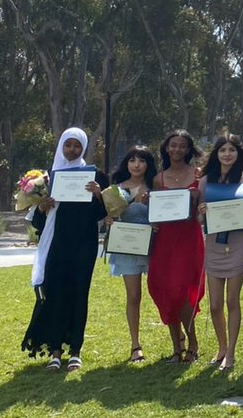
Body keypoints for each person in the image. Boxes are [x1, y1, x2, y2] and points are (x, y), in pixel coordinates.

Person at [22, 127, 108, 372]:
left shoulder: (95, 176)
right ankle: (56, 351)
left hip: (84, 246)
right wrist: (42, 208)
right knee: (56, 294)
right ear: (61, 146)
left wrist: (98, 194)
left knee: (79, 295)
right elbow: (38, 223)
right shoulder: (47, 179)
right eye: (68, 145)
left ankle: (76, 351)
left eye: (77, 146)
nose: (72, 150)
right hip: (56, 246)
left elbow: (102, 215)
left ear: (83, 148)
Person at [197, 134, 243, 371]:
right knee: (214, 305)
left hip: (238, 245)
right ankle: (221, 347)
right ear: (217, 153)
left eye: (232, 150)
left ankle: (230, 352)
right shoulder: (206, 181)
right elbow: (202, 218)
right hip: (213, 246)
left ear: (238, 153)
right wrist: (202, 210)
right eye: (223, 150)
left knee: (232, 300)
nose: (227, 154)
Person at [148, 129, 206, 363]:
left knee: (183, 291)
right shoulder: (157, 179)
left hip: (189, 239)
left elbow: (203, 214)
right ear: (166, 148)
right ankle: (176, 346)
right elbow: (153, 214)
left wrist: (197, 202)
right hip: (164, 241)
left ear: (189, 149)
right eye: (173, 145)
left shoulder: (199, 175)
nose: (177, 150)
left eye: (182, 145)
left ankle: (192, 342)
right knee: (164, 290)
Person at [105, 146, 156, 364]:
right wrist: (109, 223)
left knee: (163, 292)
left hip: (155, 248)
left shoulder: (157, 187)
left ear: (148, 165)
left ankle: (179, 340)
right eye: (132, 160)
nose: (136, 165)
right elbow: (109, 217)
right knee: (134, 296)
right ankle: (135, 345)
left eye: (142, 161)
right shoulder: (115, 190)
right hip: (127, 249)